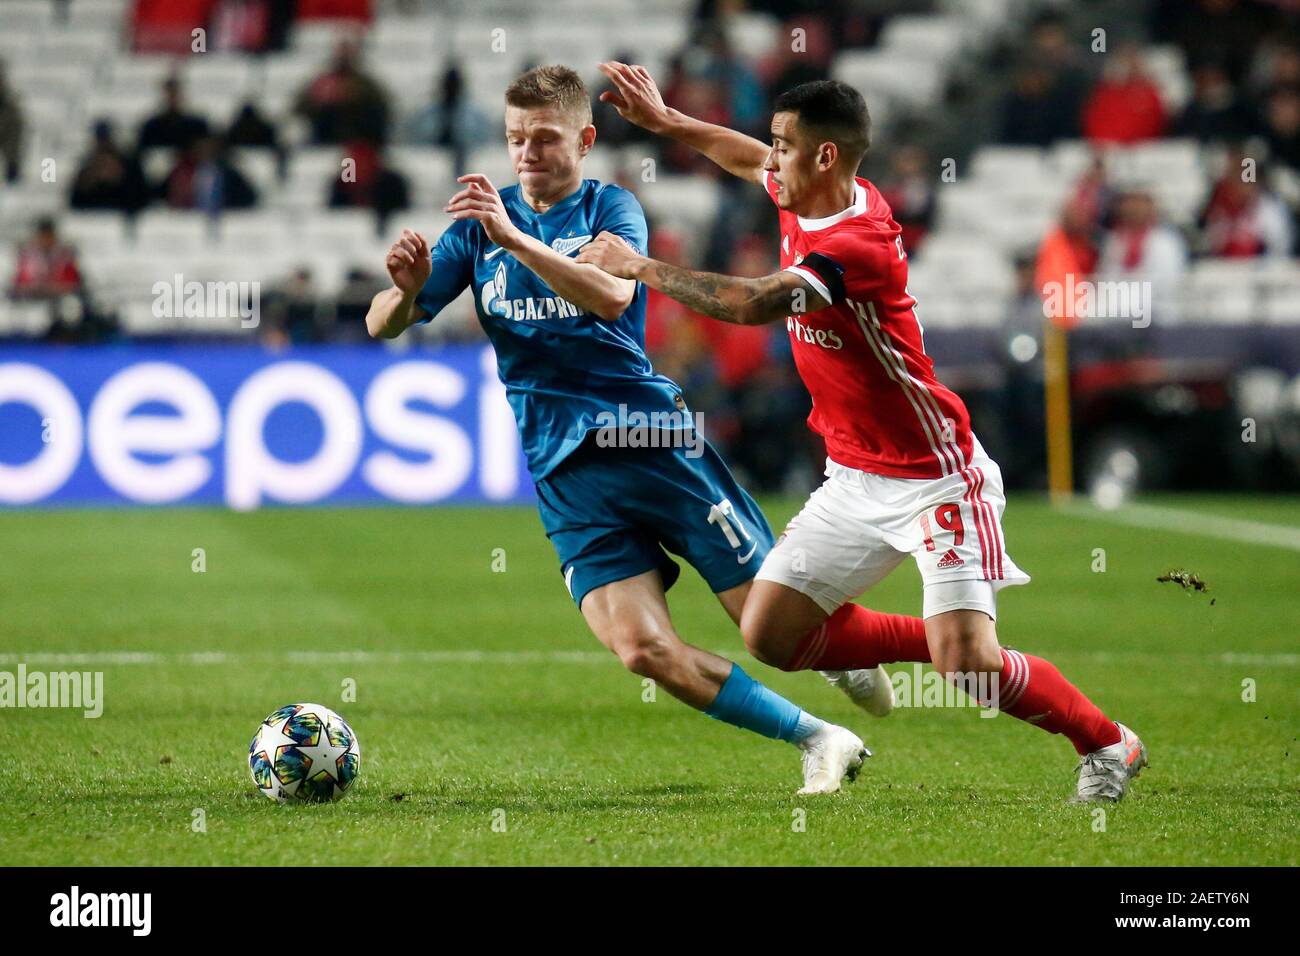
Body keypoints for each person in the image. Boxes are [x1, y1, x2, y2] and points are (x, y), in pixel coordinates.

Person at [580, 63, 1147, 803]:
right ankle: (861, 644)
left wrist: (639, 266)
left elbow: (755, 304)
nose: (767, 158)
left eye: (782, 146)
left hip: (936, 475)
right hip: (854, 475)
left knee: (969, 665)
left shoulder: (858, 242)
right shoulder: (803, 190)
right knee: (770, 635)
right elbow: (743, 157)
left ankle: (1107, 743)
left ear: (824, 157)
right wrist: (671, 125)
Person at [365, 65, 907, 795]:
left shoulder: (608, 208)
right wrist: (404, 294)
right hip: (562, 472)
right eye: (515, 138)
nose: (526, 153)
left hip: (645, 438)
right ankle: (818, 738)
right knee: (643, 651)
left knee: (766, 624)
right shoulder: (476, 231)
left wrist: (516, 241)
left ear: (585, 140)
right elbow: (380, 323)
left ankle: (840, 645)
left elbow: (614, 296)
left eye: (546, 138)